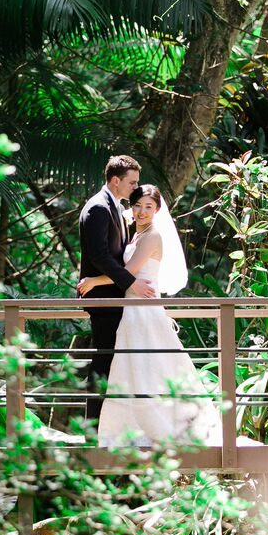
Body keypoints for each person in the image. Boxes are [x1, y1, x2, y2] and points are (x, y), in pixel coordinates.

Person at [77, 185, 222, 448]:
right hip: (131, 310)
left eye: (148, 207)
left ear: (157, 210)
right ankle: (131, 426)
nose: (142, 212)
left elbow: (129, 271)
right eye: (138, 206)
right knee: (133, 368)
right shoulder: (135, 234)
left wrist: (93, 282)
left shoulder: (153, 236)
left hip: (144, 310)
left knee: (151, 366)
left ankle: (163, 425)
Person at [78, 156, 157, 426]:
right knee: (103, 363)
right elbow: (100, 255)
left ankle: (110, 426)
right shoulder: (98, 208)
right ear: (115, 181)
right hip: (105, 301)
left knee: (111, 363)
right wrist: (131, 283)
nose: (135, 187)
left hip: (115, 299)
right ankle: (92, 431)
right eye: (132, 182)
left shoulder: (116, 208)